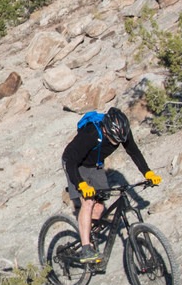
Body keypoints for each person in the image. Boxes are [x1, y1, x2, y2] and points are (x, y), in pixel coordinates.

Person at [60, 107, 160, 265]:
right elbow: (69, 160)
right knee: (88, 202)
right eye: (113, 139)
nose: (116, 143)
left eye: (119, 140)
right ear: (105, 129)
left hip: (96, 165)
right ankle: (86, 247)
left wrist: (147, 173)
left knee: (99, 208)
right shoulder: (91, 134)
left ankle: (89, 233)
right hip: (75, 164)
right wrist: (81, 184)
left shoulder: (122, 133)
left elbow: (133, 152)